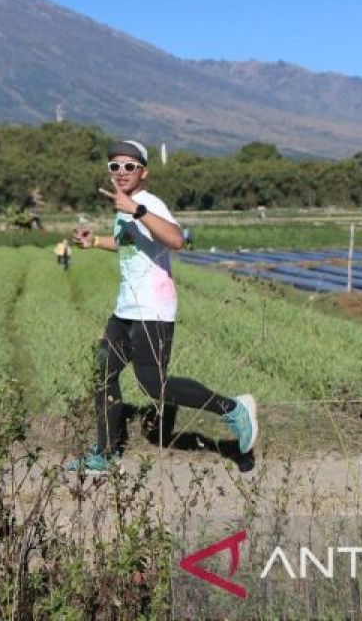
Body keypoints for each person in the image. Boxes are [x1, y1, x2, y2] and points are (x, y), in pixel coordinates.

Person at [64, 140, 258, 474]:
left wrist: (135, 209)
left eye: (130, 166)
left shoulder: (147, 203)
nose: (121, 172)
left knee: (155, 386)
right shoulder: (126, 205)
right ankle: (106, 452)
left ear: (144, 171)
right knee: (103, 374)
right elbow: (130, 243)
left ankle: (234, 408)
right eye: (115, 166)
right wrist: (94, 241)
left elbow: (177, 239)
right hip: (125, 310)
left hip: (152, 310)